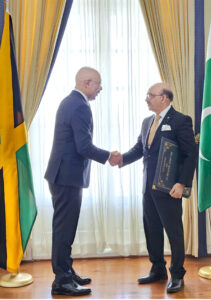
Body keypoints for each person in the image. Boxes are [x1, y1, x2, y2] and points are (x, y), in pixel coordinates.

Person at [44, 67, 121, 296]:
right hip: (66, 177)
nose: (100, 89)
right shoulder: (79, 106)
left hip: (63, 175)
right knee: (64, 229)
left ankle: (66, 271)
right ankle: (61, 281)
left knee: (65, 228)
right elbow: (83, 147)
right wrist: (109, 156)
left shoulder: (71, 101)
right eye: (98, 84)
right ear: (87, 83)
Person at [114, 82, 197, 293]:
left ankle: (177, 274)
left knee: (174, 232)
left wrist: (182, 183)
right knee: (152, 231)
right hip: (148, 189)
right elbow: (141, 149)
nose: (147, 98)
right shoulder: (146, 122)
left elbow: (190, 155)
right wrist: (122, 158)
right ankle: (157, 269)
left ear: (164, 98)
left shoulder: (181, 121)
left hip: (169, 189)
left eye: (150, 95)